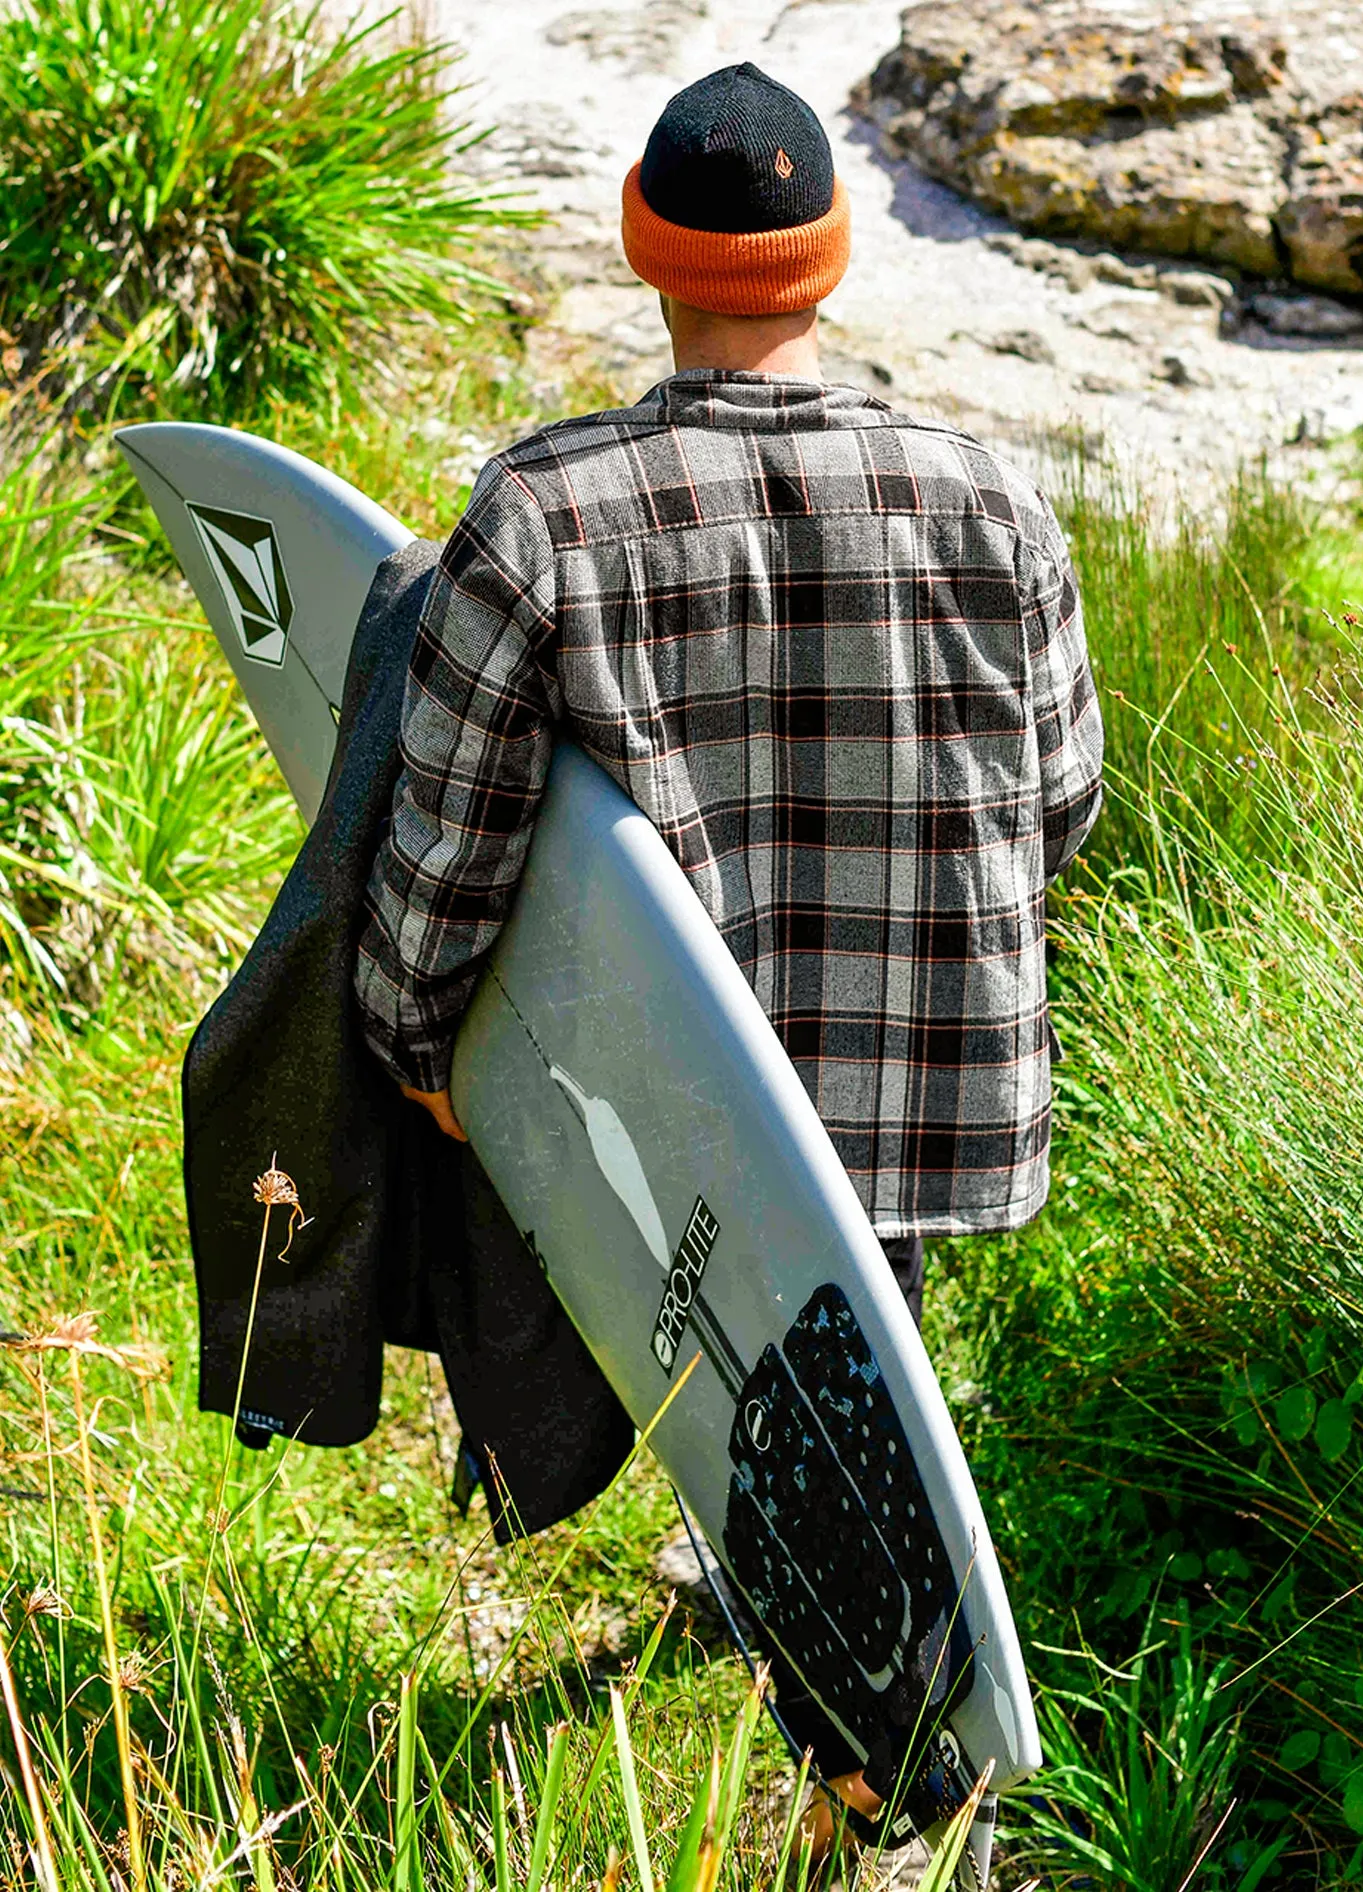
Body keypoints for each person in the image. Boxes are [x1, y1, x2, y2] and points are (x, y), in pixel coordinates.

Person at [355, 60, 1103, 1861]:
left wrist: (413, 1033)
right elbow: (1061, 798)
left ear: (646, 249)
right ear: (830, 261)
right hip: (918, 1079)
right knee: (861, 1356)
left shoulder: (542, 508)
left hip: (657, 1097)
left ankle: (902, 1800)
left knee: (741, 1368)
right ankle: (789, 1620)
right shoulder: (987, 494)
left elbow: (447, 832)